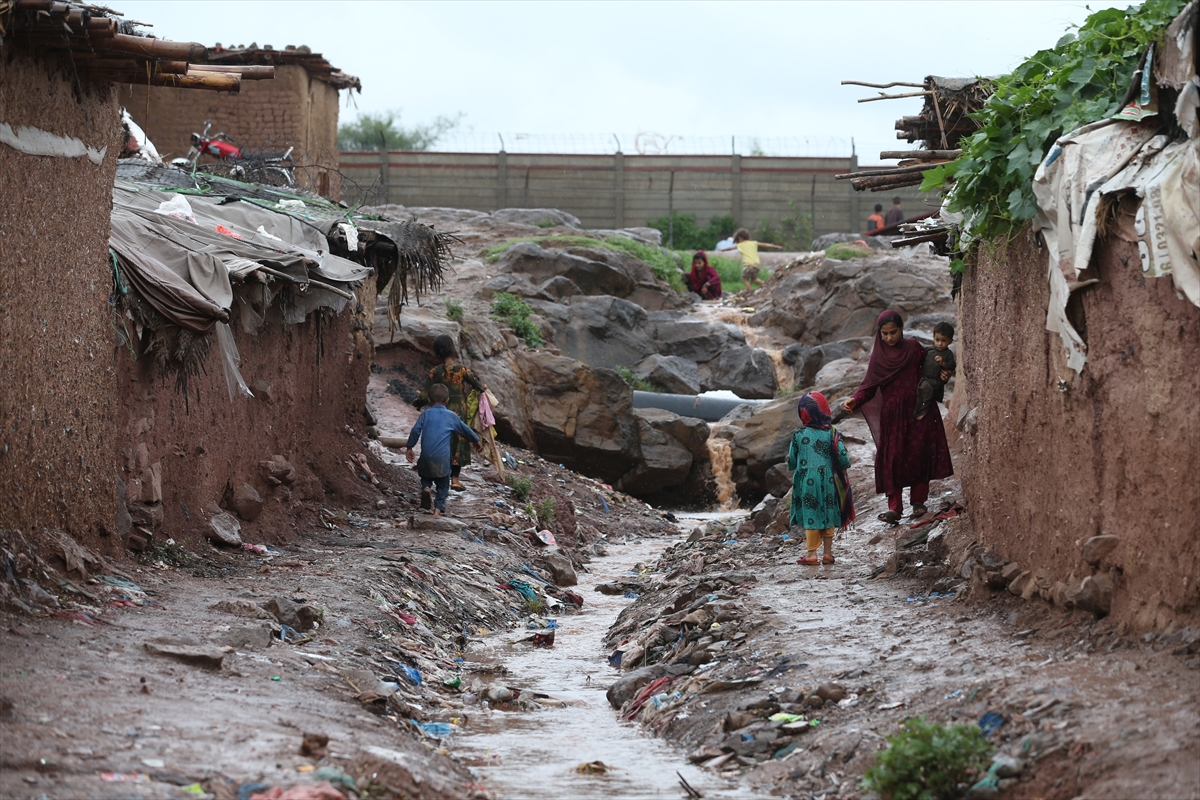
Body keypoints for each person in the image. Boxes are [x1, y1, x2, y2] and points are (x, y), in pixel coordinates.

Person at [842, 310, 953, 524]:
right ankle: (894, 508)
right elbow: (869, 386)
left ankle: (918, 502)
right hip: (893, 415)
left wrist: (943, 374)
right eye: (884, 334)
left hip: (920, 409)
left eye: (893, 332)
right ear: (879, 334)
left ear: (902, 329)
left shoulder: (913, 348)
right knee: (892, 458)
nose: (889, 337)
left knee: (920, 453)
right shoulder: (879, 357)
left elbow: (929, 371)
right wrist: (856, 400)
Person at [788, 391, 854, 565]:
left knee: (811, 514)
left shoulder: (799, 435)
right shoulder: (831, 433)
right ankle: (827, 554)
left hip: (807, 479)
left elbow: (792, 461)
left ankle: (811, 554)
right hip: (830, 479)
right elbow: (843, 457)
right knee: (828, 512)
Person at [414, 334, 487, 491]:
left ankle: (437, 476)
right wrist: (482, 389)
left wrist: (418, 404)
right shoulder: (461, 370)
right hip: (459, 411)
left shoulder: (435, 372)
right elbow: (477, 384)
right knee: (459, 443)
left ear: (437, 352)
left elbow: (425, 394)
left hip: (440, 412)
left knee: (442, 440)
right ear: (452, 350)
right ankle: (455, 479)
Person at [406, 383, 481, 516]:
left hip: (425, 457)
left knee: (425, 475)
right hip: (442, 459)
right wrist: (476, 440)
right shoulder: (451, 416)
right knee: (443, 484)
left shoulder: (425, 414)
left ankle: (427, 488)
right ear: (447, 400)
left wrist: (409, 447)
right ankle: (437, 511)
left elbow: (415, 430)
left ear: (429, 400)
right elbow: (465, 430)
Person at [915, 322, 957, 420]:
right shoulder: (929, 350)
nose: (939, 343)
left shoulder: (947, 354)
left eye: (943, 341)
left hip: (935, 381)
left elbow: (952, 365)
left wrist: (943, 364)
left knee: (927, 390)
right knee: (919, 390)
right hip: (924, 377)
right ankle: (918, 408)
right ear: (933, 338)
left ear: (950, 341)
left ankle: (923, 410)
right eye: (937, 340)